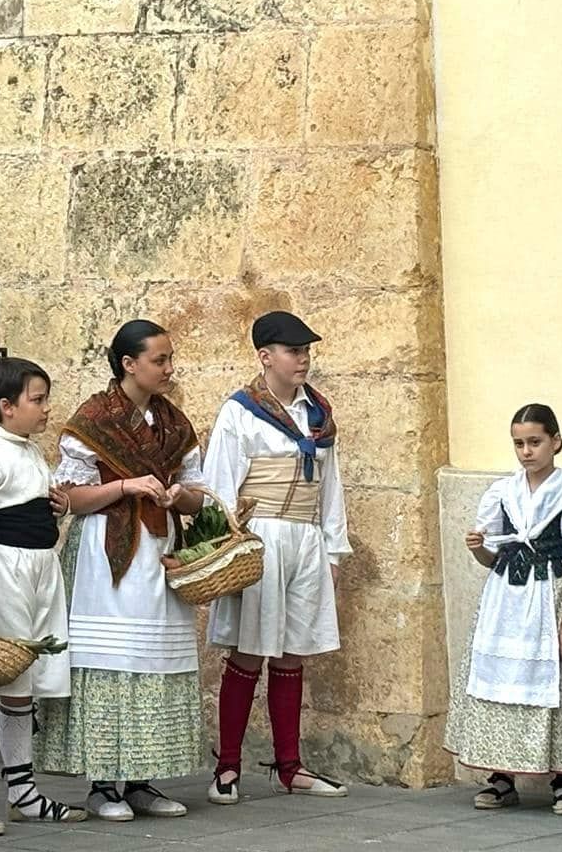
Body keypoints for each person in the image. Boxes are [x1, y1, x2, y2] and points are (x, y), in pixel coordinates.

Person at [36, 320, 206, 822]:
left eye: (170, 358)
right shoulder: (94, 419)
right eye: (160, 360)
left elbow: (197, 488)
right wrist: (127, 487)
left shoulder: (174, 423)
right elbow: (70, 498)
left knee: (152, 659)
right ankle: (101, 784)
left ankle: (140, 781)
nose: (169, 369)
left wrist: (179, 495)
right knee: (110, 662)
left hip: (158, 552)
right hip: (105, 558)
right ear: (129, 364)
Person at [204, 311, 350, 805]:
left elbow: (331, 488)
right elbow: (219, 488)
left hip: (306, 538)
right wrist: (227, 548)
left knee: (294, 650)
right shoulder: (241, 412)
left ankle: (290, 766)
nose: (302, 358)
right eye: (293, 351)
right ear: (266, 357)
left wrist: (333, 549)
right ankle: (227, 767)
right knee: (248, 649)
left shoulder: (318, 414)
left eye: (306, 350)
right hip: (261, 536)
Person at [444, 404, 562, 816]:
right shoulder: (503, 492)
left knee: (561, 683)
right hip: (506, 599)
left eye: (535, 442)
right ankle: (502, 777)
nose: (526, 451)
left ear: (555, 441)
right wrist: (480, 547)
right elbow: (490, 558)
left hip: (551, 593)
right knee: (501, 681)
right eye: (519, 443)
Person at [0, 358, 84, 834]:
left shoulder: (29, 451)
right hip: (5, 571)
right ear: (6, 407)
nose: (46, 409)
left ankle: (22, 790)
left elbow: (34, 509)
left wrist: (59, 510)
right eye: (38, 400)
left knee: (22, 687)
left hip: (39, 571)